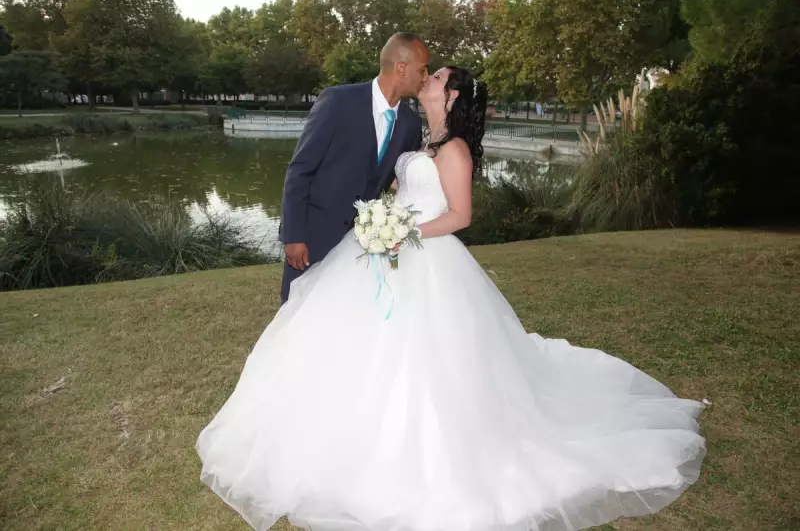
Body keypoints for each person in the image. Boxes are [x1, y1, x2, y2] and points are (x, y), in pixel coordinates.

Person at [197, 66, 706, 531]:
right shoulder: (417, 136)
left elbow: (460, 216)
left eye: (437, 76)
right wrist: (384, 217)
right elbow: (400, 191)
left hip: (427, 257)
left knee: (429, 357)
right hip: (388, 247)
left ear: (452, 93)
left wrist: (402, 232)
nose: (427, 76)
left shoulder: (457, 148)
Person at [278, 32, 429, 304]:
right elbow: (300, 170)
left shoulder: (410, 124)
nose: (426, 77)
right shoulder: (337, 102)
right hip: (313, 238)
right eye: (422, 69)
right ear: (401, 68)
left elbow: (398, 180)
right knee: (295, 317)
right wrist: (294, 235)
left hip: (361, 246)